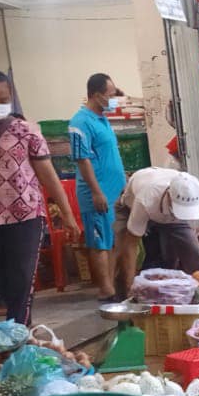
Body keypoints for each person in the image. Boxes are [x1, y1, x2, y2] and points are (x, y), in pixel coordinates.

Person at [0, 70, 79, 325]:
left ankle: (19, 331)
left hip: (26, 216)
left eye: (4, 100)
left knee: (22, 277)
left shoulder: (27, 131)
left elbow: (48, 175)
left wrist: (67, 214)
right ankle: (18, 327)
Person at [114, 166, 199, 296]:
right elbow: (131, 245)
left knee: (193, 254)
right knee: (122, 252)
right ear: (169, 197)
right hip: (132, 205)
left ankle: (191, 294)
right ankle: (122, 295)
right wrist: (130, 288)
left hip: (169, 214)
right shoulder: (146, 199)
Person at [69, 73, 127, 299]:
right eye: (110, 95)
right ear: (95, 95)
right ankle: (106, 290)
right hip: (98, 193)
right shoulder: (80, 122)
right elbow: (82, 160)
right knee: (100, 242)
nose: (113, 100)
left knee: (112, 241)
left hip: (114, 192)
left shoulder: (102, 119)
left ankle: (111, 287)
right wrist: (96, 192)